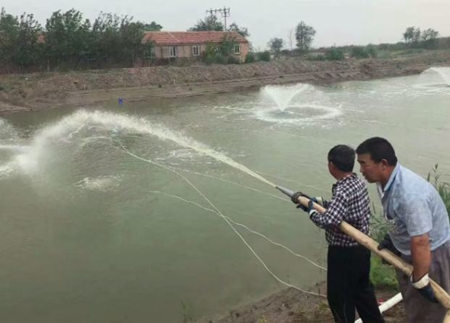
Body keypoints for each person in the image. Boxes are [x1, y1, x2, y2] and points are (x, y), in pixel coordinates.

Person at [356, 137, 450, 323]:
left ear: (383, 164)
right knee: (414, 304)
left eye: (363, 164)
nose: (360, 170)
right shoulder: (384, 182)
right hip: (412, 251)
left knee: (428, 312)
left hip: (430, 255)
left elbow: (421, 240)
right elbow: (401, 218)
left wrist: (421, 280)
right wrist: (392, 239)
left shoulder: (409, 194)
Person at [291, 145, 384, 323]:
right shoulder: (356, 182)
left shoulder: (342, 190)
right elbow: (340, 211)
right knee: (363, 295)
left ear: (332, 165)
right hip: (362, 250)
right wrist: (317, 202)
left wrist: (311, 211)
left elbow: (329, 221)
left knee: (339, 299)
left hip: (344, 255)